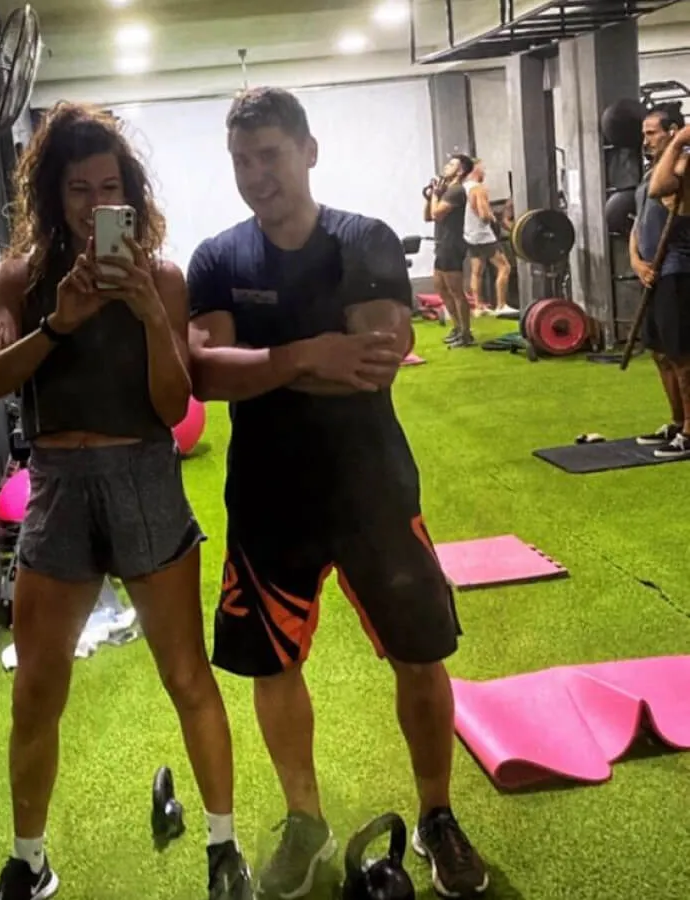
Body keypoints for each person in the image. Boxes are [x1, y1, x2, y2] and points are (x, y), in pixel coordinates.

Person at [187, 86, 489, 900]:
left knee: (420, 657)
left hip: (373, 489)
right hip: (267, 498)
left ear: (309, 151)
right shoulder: (217, 257)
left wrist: (267, 364)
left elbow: (372, 364)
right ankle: (304, 820)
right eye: (242, 161)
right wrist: (308, 353)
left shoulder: (366, 239)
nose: (257, 176)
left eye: (271, 156)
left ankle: (436, 818)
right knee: (272, 667)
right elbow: (205, 376)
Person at [0, 102, 252, 900]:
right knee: (38, 688)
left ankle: (223, 849)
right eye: (78, 190)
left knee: (187, 676)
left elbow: (171, 407)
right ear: (53, 198)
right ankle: (29, 861)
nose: (95, 205)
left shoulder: (161, 276)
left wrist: (146, 316)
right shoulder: (20, 279)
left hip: (144, 477)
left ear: (131, 195)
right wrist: (59, 325)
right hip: (57, 485)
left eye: (109, 187)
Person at [632, 106, 690, 460]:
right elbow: (637, 224)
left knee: (683, 356)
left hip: (677, 269)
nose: (646, 140)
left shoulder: (682, 164)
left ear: (671, 131)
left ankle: (689, 432)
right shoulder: (652, 167)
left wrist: (682, 141)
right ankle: (677, 420)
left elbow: (661, 189)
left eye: (652, 133)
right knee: (659, 352)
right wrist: (637, 262)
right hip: (652, 272)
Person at [423, 154, 475, 347]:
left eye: (452, 164)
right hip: (441, 244)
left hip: (452, 245)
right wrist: (430, 197)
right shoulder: (446, 191)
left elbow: (437, 214)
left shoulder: (456, 191)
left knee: (456, 291)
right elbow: (428, 216)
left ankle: (466, 334)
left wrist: (436, 195)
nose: (446, 166)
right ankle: (457, 327)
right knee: (441, 288)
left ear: (460, 171)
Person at [462, 160, 513, 315]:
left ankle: (478, 307)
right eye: (482, 168)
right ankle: (501, 305)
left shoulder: (463, 188)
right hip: (483, 235)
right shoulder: (478, 189)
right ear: (474, 170)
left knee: (477, 271)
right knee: (505, 267)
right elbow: (484, 215)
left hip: (469, 235)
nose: (484, 172)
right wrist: (493, 217)